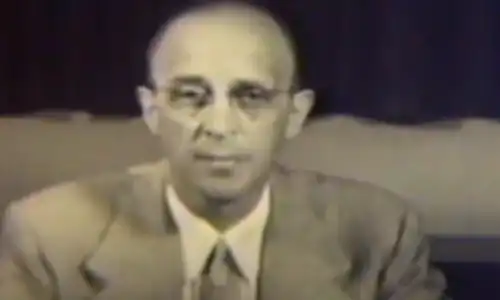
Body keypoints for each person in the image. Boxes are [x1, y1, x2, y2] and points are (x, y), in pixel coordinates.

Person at [0, 1, 448, 299]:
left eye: (251, 96)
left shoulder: (381, 235)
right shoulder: (46, 236)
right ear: (151, 110)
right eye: (190, 95)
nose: (218, 127)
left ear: (294, 114)